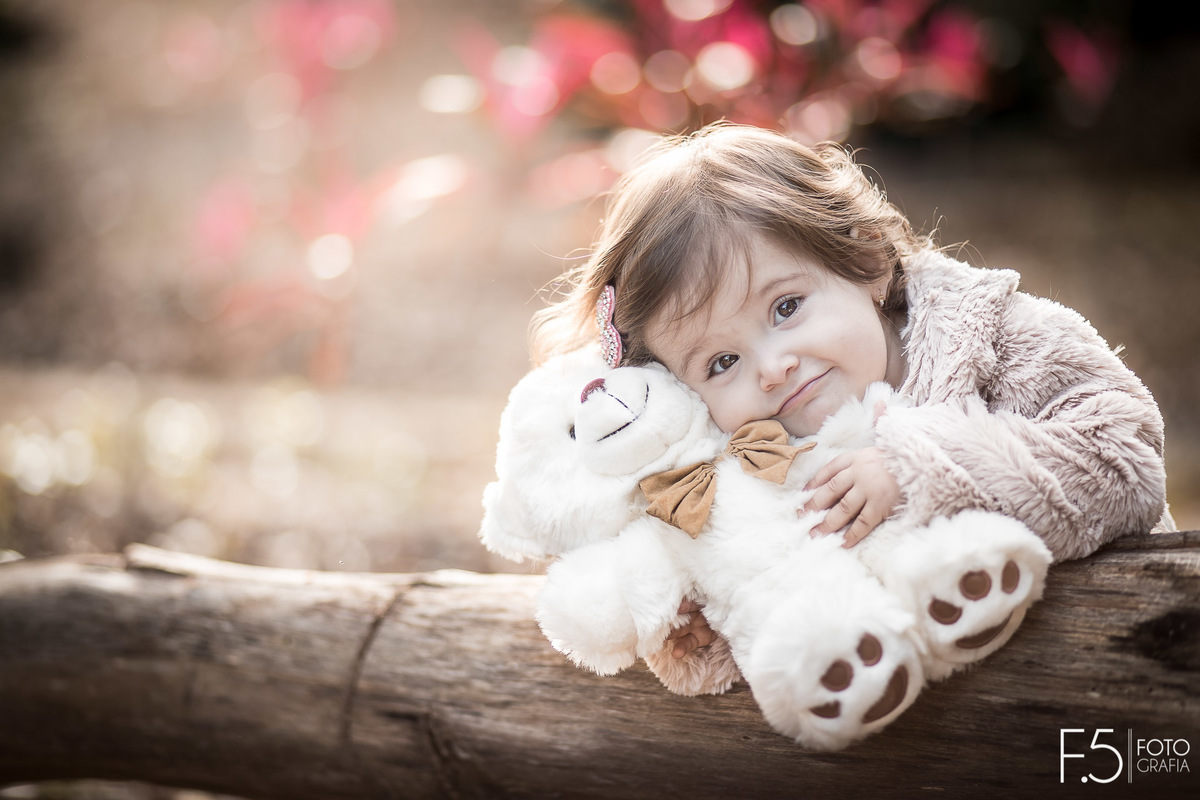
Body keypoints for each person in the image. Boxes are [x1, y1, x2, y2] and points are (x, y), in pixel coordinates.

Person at [528, 122, 1175, 659]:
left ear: (863, 258)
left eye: (785, 308)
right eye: (722, 361)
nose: (772, 368)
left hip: (1120, 654)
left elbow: (1125, 462)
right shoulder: (741, 458)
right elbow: (770, 597)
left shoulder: (1004, 339)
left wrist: (917, 467)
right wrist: (702, 627)